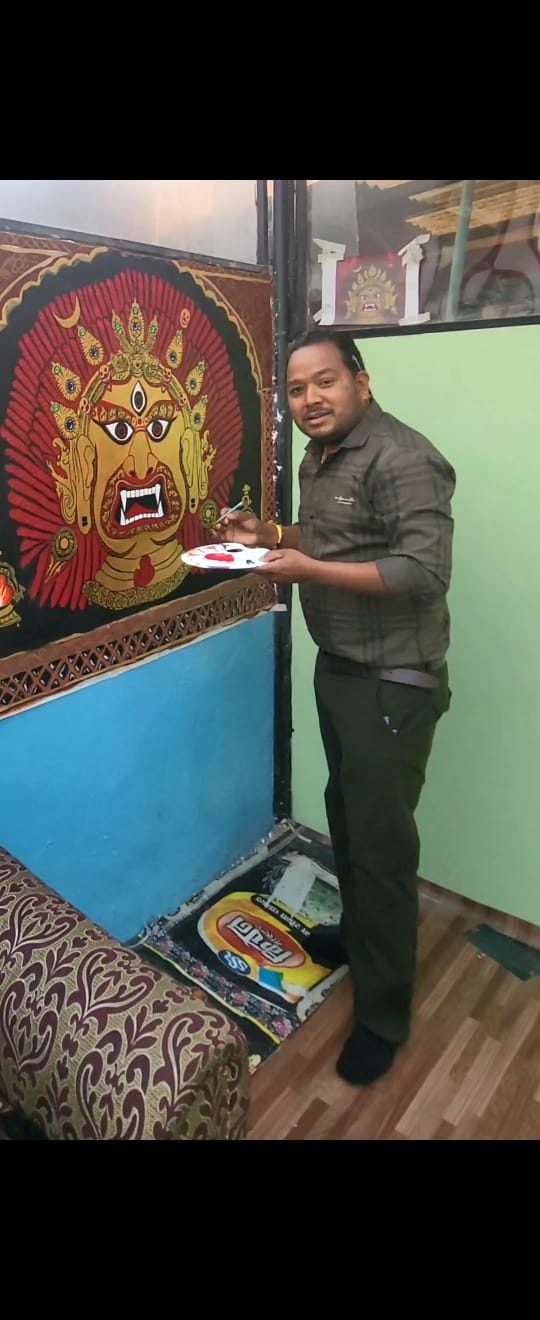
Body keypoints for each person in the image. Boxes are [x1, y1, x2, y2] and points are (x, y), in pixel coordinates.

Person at [215, 329, 455, 1086]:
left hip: (394, 683)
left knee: (380, 849)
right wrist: (269, 536)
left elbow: (422, 572)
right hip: (343, 672)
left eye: (326, 381)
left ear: (361, 379)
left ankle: (384, 1018)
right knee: (347, 818)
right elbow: (327, 538)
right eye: (296, 389)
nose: (311, 399)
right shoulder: (323, 456)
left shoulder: (403, 456)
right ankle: (360, 938)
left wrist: (306, 569)